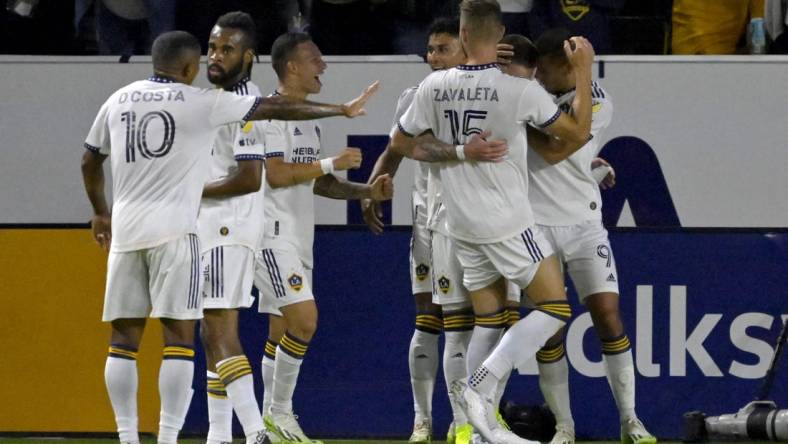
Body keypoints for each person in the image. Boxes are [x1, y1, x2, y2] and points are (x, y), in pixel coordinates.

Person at [81, 30, 378, 444]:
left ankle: (131, 437)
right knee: (185, 340)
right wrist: (340, 110)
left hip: (128, 229)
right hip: (185, 230)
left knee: (124, 340)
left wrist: (99, 211)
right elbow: (274, 114)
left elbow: (90, 160)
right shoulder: (203, 102)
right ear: (190, 67)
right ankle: (210, 433)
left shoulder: (119, 98)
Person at [388, 0, 595, 442]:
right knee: (556, 308)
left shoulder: (433, 86)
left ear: (462, 36)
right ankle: (482, 384)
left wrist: (459, 151)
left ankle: (477, 429)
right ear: (499, 35)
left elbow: (402, 144)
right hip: (508, 223)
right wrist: (584, 71)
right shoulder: (516, 89)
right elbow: (576, 133)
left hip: (459, 227)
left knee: (489, 319)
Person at [498, 27, 656, 444]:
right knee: (550, 328)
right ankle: (563, 426)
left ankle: (630, 421)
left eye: (545, 70)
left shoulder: (598, 99)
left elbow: (554, 151)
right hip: (536, 227)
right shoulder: (531, 93)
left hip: (584, 224)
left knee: (608, 315)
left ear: (569, 67)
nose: (538, 78)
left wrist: (519, 123)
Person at [253, 31, 394, 444]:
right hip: (272, 234)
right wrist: (331, 162)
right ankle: (280, 417)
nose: (324, 67)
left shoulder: (305, 121)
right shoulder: (270, 113)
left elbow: (316, 182)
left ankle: (266, 429)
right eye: (315, 59)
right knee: (306, 321)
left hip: (297, 236)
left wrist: (365, 191)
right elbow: (277, 175)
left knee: (279, 333)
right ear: (292, 66)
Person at [362, 17, 477, 444]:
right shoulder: (415, 97)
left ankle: (463, 419)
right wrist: (374, 187)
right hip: (425, 225)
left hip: (465, 225)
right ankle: (422, 421)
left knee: (462, 323)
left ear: (465, 50)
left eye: (443, 48)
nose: (433, 57)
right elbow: (396, 147)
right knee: (427, 320)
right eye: (430, 49)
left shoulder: (480, 96)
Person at [196, 11, 270, 444]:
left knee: (218, 329)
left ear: (248, 57)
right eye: (212, 47)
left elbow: (248, 177)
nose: (216, 56)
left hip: (228, 229)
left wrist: (192, 192)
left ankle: (256, 431)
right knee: (213, 334)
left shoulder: (246, 103)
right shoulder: (220, 99)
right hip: (216, 229)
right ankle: (218, 435)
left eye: (227, 49)